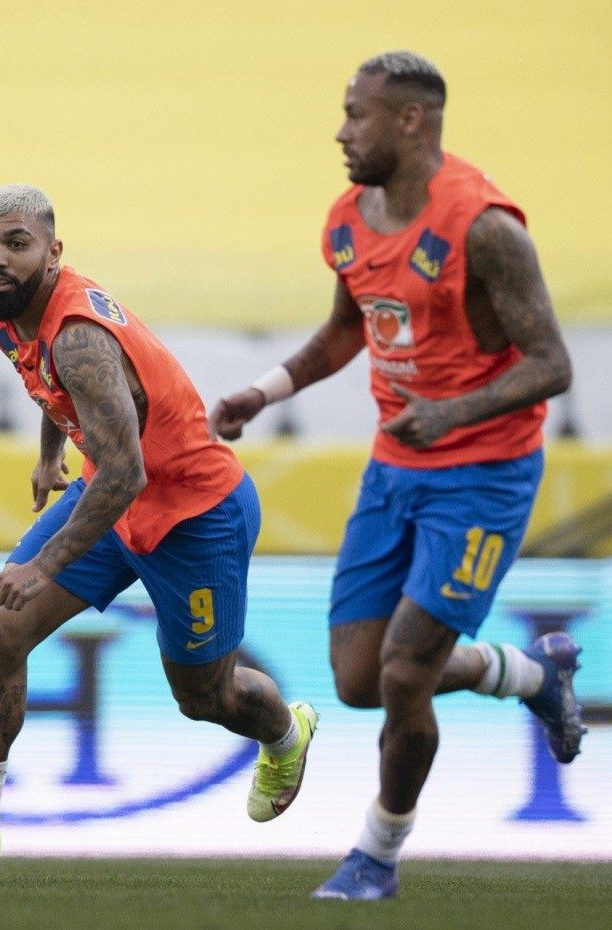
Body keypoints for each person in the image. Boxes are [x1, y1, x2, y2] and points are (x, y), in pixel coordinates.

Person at [210, 51, 585, 901]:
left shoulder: (483, 227)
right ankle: (529, 674)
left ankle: (375, 854)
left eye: (356, 114)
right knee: (356, 680)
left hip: (484, 473)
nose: (342, 133)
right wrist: (265, 392)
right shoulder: (349, 217)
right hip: (395, 465)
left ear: (410, 121)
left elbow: (553, 364)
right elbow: (349, 325)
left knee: (405, 674)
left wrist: (451, 414)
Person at [0, 184, 318, 883]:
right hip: (110, 491)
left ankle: (288, 733)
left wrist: (42, 567)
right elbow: (54, 385)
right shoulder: (12, 311)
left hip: (193, 516)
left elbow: (127, 470)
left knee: (205, 698)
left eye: (16, 243)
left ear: (53, 252)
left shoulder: (79, 335)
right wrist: (50, 453)